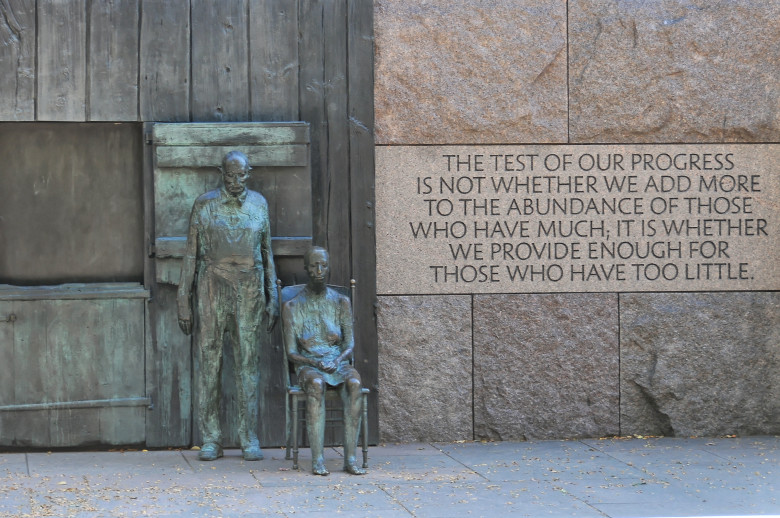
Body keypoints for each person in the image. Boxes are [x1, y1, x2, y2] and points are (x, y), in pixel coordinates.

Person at [177, 150, 278, 462]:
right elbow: (191, 253)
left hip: (250, 287)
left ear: (249, 172)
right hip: (212, 285)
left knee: (248, 364)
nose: (236, 181)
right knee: (210, 361)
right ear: (221, 173)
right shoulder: (205, 204)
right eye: (230, 175)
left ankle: (249, 437)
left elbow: (267, 251)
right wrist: (184, 299)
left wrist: (272, 293)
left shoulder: (259, 204)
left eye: (242, 175)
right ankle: (211, 439)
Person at [282, 246, 366, 475]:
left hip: (338, 362)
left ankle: (350, 459)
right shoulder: (292, 306)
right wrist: (315, 363)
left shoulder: (341, 302)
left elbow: (349, 344)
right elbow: (291, 352)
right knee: (316, 384)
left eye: (324, 265)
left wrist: (337, 360)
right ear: (306, 268)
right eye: (314, 265)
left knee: (355, 384)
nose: (319, 270)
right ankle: (318, 459)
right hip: (309, 365)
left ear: (328, 268)